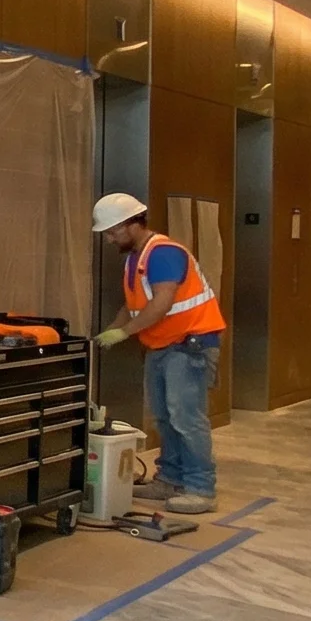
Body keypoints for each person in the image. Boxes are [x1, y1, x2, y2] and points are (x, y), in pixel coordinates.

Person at [92, 192, 226, 515]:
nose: (109, 239)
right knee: (165, 418)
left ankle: (200, 488)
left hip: (190, 345)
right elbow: (134, 305)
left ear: (131, 224)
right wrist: (111, 330)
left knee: (186, 418)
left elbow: (161, 304)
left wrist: (125, 332)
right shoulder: (135, 260)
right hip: (163, 345)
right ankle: (170, 479)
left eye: (112, 232)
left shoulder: (164, 253)